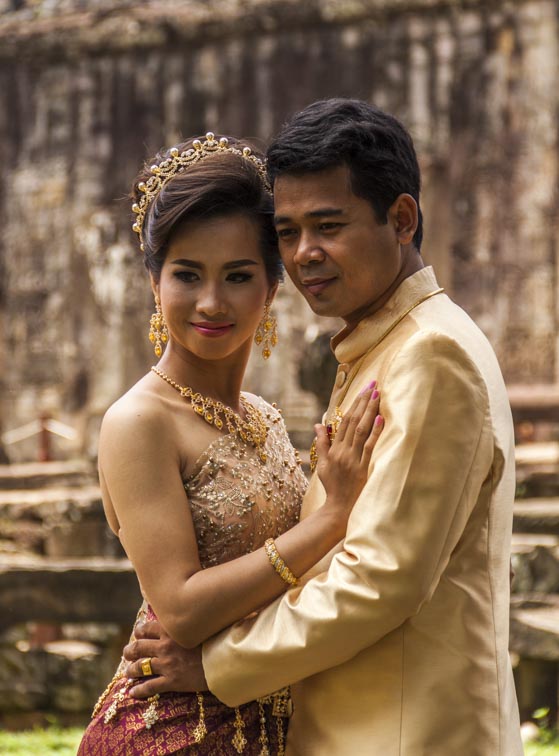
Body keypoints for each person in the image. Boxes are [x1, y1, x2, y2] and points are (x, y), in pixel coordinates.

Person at [124, 100, 523, 755]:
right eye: (287, 232)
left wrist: (215, 665)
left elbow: (380, 579)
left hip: (405, 733)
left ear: (401, 219)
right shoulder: (380, 346)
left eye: (328, 226)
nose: (305, 253)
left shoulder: (428, 355)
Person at [77, 131, 384, 756]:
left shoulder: (265, 418)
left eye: (238, 276)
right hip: (170, 730)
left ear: (271, 289)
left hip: (274, 722)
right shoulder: (138, 422)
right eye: (187, 275)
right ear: (155, 284)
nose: (212, 302)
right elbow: (182, 610)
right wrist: (331, 519)